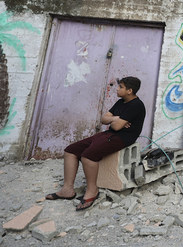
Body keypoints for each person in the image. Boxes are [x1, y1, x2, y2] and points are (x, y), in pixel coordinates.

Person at [46, 76, 146, 211]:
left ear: (129, 90)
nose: (117, 89)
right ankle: (67, 190)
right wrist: (116, 118)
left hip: (122, 138)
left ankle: (92, 190)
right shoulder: (121, 102)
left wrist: (113, 121)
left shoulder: (136, 105)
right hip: (110, 134)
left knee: (88, 156)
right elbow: (104, 119)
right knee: (71, 150)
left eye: (120, 87)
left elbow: (116, 127)